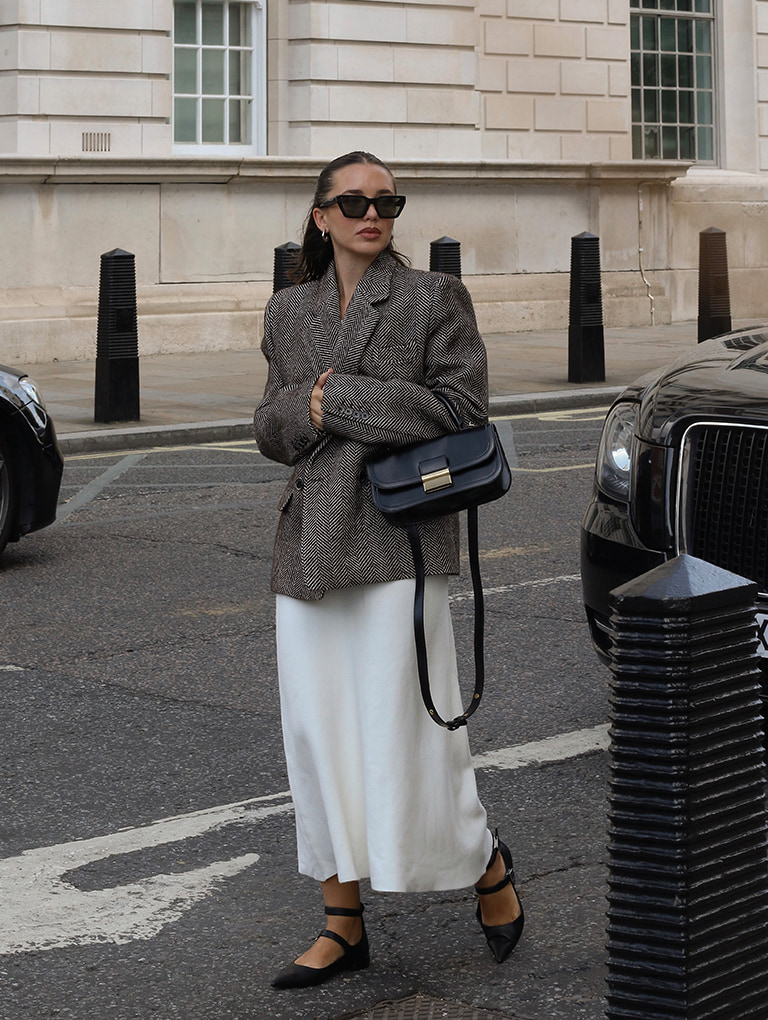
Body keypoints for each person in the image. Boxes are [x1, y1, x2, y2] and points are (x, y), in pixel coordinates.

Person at [253, 151, 524, 990]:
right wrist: (305, 407)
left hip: (397, 538)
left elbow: (461, 407)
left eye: (388, 201)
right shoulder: (287, 310)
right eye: (355, 202)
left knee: (409, 735)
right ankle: (342, 922)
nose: (374, 214)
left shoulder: (431, 297)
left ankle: (484, 863)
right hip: (307, 551)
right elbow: (268, 424)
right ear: (320, 216)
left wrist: (341, 401)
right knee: (317, 737)